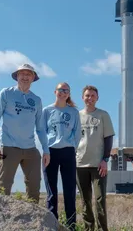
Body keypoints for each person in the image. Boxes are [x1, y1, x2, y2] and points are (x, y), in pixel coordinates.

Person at [0, 63, 50, 203]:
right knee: (4, 187)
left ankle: (33, 221)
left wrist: (46, 150)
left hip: (30, 149)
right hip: (10, 147)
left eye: (29, 74)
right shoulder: (6, 93)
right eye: (22, 73)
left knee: (34, 187)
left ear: (33, 78)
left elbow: (40, 128)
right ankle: (2, 219)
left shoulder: (36, 100)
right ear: (16, 76)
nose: (25, 77)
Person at [41, 82, 81, 230]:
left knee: (69, 190)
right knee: (51, 192)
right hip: (50, 152)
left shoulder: (73, 112)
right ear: (55, 92)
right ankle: (52, 225)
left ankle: (71, 226)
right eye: (60, 90)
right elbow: (42, 131)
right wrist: (45, 150)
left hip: (68, 152)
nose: (63, 92)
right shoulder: (47, 111)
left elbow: (77, 133)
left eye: (66, 90)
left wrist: (72, 147)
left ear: (69, 94)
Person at [76, 85, 115, 231]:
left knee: (100, 200)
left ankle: (102, 229)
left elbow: (109, 138)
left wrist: (105, 159)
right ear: (82, 97)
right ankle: (88, 228)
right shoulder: (77, 116)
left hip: (98, 164)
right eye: (87, 95)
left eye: (93, 96)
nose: (90, 98)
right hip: (80, 164)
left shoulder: (103, 115)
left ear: (97, 98)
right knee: (85, 201)